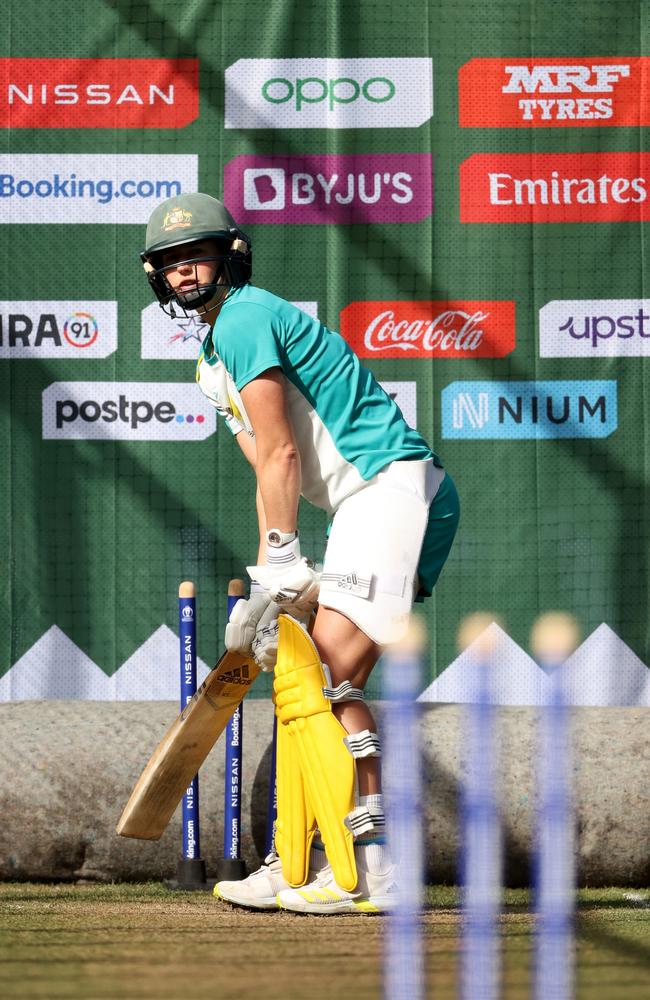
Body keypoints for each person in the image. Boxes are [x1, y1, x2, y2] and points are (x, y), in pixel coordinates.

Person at [141, 192, 459, 915]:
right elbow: (266, 470)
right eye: (170, 264)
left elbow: (285, 452)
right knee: (305, 681)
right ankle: (302, 858)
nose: (185, 273)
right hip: (360, 505)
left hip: (393, 487)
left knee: (330, 679)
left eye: (196, 256)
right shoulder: (210, 360)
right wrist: (268, 577)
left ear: (230, 256)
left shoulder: (249, 316)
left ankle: (374, 868)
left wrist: (285, 556)